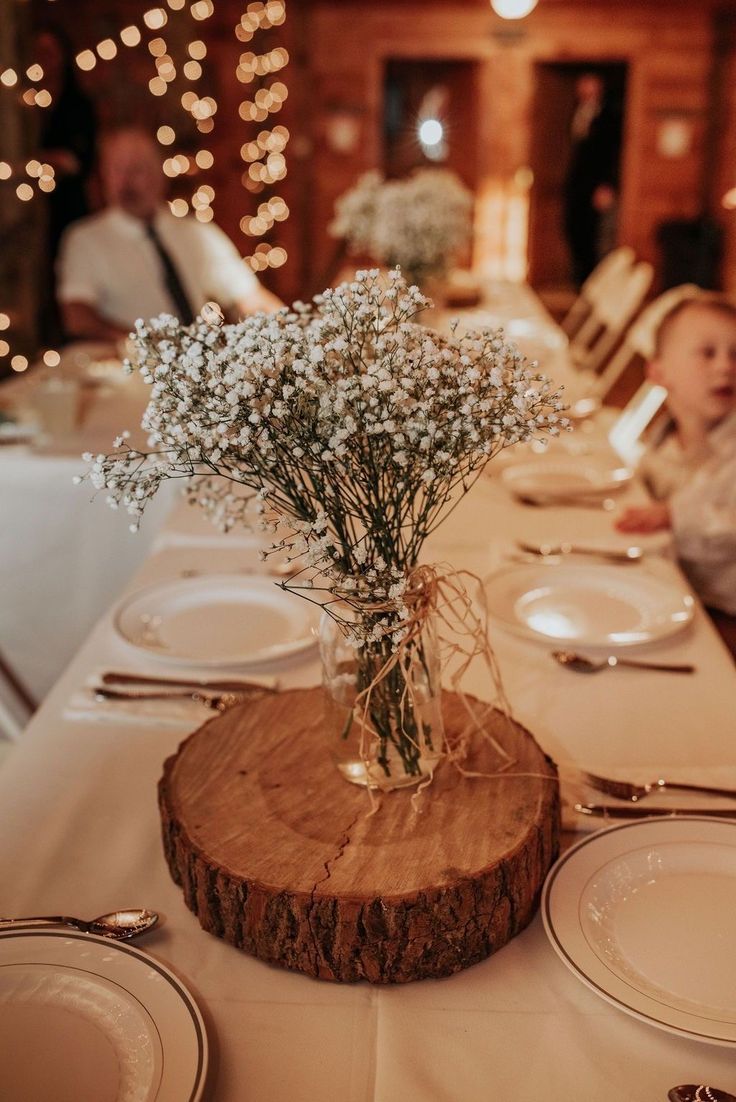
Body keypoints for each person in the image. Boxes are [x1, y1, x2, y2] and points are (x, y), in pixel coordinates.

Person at [57, 128, 282, 342]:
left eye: (137, 169)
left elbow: (249, 298)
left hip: (197, 364)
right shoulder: (85, 239)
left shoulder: (196, 233)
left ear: (158, 174)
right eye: (117, 170)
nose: (125, 182)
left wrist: (291, 330)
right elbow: (77, 318)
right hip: (129, 370)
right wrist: (146, 344)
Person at [615, 294, 736, 617]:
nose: (726, 365)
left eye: (735, 354)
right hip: (673, 586)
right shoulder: (664, 440)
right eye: (707, 353)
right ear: (659, 373)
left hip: (722, 613)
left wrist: (674, 516)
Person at [34, 24, 97, 343]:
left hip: (66, 204)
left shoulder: (76, 104)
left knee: (68, 267)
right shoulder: (28, 105)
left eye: (50, 51)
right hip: (32, 206)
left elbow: (80, 160)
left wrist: (44, 160)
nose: (45, 59)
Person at [563, 72, 621, 287]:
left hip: (597, 185)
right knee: (573, 230)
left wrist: (608, 185)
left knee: (595, 236)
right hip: (576, 184)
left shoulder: (610, 115)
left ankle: (591, 285)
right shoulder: (576, 112)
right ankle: (578, 280)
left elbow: (612, 154)